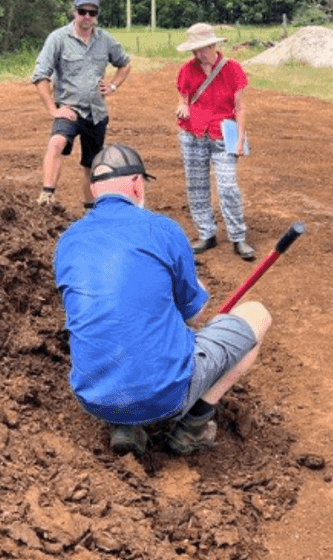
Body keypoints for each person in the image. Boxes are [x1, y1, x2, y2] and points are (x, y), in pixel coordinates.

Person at [54, 143, 272, 457]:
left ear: (93, 190)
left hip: (95, 398)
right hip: (163, 397)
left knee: (120, 329)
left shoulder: (68, 241)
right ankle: (193, 426)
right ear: (136, 184)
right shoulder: (163, 230)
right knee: (257, 314)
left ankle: (125, 425)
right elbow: (194, 316)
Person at [31, 0, 131, 208]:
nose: (87, 16)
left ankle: (90, 211)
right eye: (82, 11)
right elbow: (40, 75)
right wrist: (52, 109)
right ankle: (47, 196)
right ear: (74, 11)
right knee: (56, 143)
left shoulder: (105, 39)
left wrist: (113, 85)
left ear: (97, 14)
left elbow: (124, 63)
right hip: (69, 109)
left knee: (92, 164)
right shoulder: (58, 38)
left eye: (92, 12)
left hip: (96, 112)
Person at [175, 22, 255, 261]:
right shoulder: (187, 70)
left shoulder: (232, 70)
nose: (198, 55)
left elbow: (239, 107)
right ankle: (206, 233)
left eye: (202, 49)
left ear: (213, 45)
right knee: (196, 186)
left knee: (228, 186)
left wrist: (240, 140)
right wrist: (182, 107)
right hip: (193, 133)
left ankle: (238, 237)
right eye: (194, 50)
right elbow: (183, 99)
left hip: (223, 135)